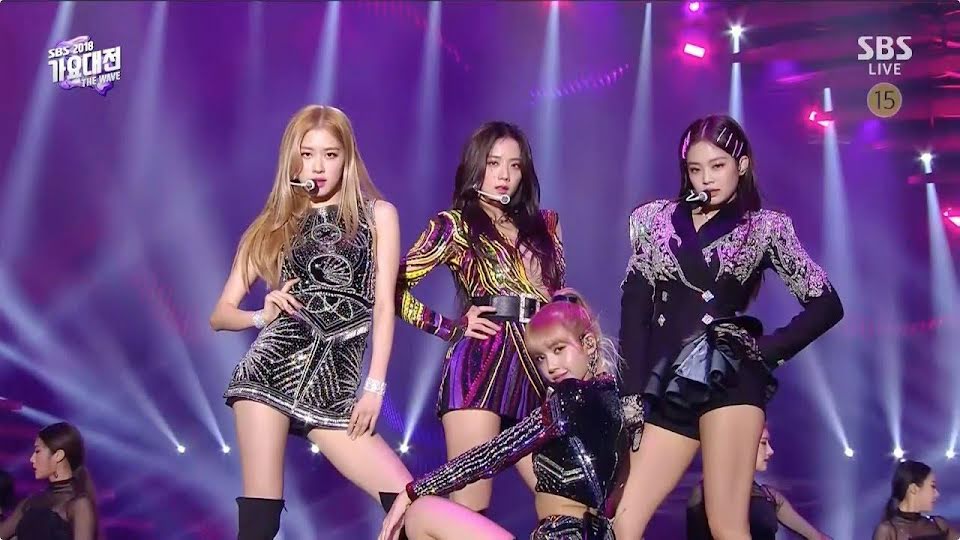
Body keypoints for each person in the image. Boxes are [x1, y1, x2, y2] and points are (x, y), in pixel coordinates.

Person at [615, 114, 844, 540]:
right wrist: (631, 390)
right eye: (695, 169)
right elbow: (634, 309)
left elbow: (827, 304)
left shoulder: (765, 227)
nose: (706, 178)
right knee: (624, 522)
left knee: (726, 525)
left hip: (730, 377)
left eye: (718, 166)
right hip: (668, 382)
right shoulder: (653, 220)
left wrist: (766, 351)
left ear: (741, 164)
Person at [211, 105, 411, 539]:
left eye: (330, 154)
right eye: (307, 154)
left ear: (347, 158)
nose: (318, 167)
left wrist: (375, 387)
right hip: (269, 374)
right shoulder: (275, 224)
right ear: (293, 159)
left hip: (336, 389)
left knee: (408, 503)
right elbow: (220, 314)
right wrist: (260, 314)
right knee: (260, 522)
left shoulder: (379, 215)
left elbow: (383, 306)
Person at [396, 121, 565, 512]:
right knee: (470, 508)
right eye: (493, 163)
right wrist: (449, 327)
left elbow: (556, 295)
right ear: (476, 166)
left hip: (537, 366)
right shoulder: (453, 225)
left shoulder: (547, 224)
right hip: (481, 364)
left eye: (514, 165)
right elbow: (391, 288)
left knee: (564, 500)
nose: (504, 175)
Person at [379, 289, 642, 540]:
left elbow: (491, 454)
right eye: (540, 358)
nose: (550, 366)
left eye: (559, 349)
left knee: (422, 513)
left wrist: (412, 491)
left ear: (589, 343)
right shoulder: (615, 404)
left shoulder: (568, 400)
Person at [687, 425, 831, 539]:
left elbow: (817, 537)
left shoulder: (770, 496)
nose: (770, 451)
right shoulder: (706, 491)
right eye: (763, 443)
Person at [0, 422, 97, 540]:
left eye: (37, 451)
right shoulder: (30, 503)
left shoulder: (78, 505)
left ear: (58, 455)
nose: (32, 459)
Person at [872, 460, 959, 540]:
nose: (937, 494)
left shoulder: (939, 524)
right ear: (913, 489)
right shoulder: (888, 531)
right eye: (932, 486)